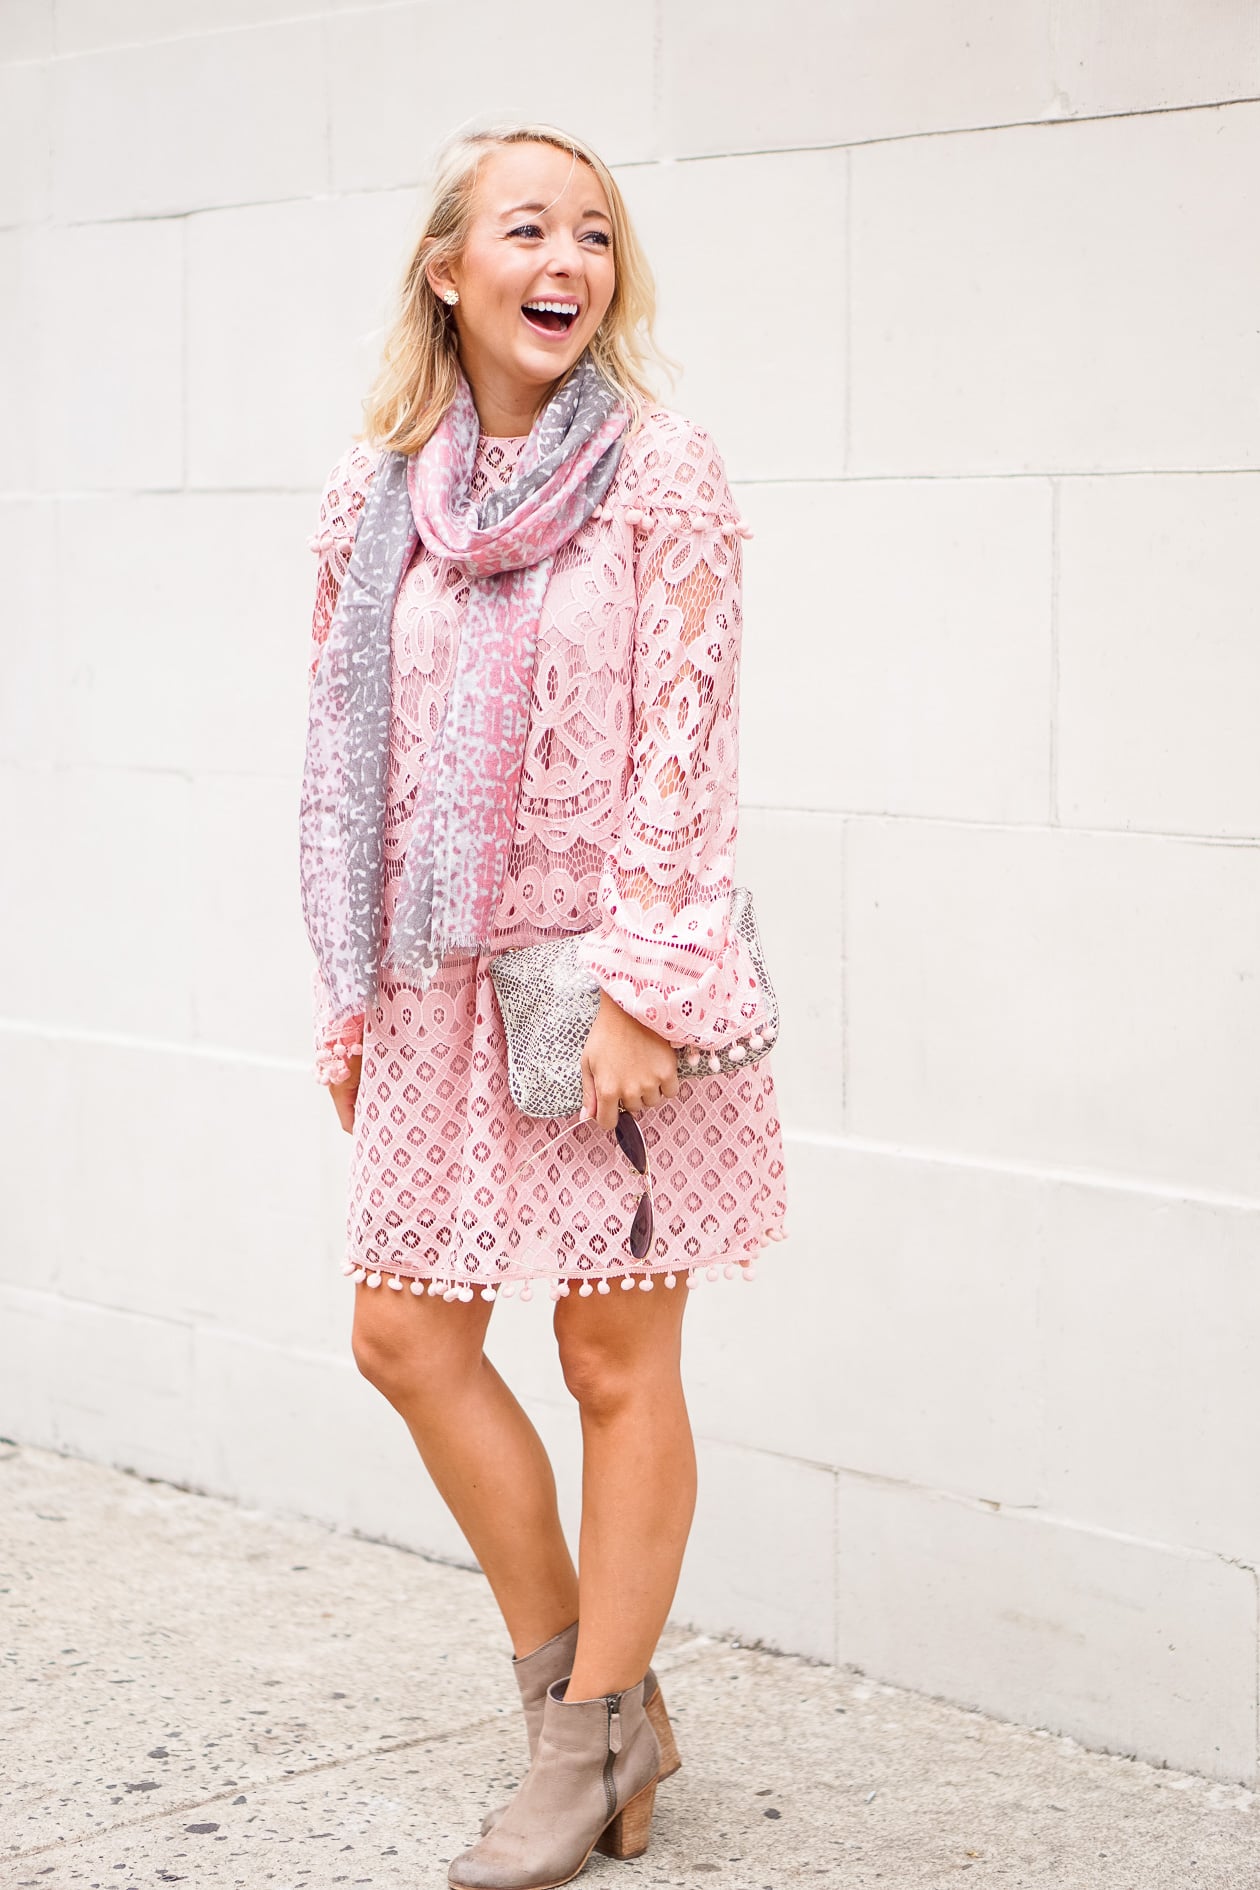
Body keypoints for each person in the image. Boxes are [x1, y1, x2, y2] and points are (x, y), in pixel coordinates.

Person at [299, 120, 788, 1890]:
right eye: (526, 228)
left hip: (613, 983)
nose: (565, 257)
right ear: (451, 267)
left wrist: (648, 986)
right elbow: (345, 759)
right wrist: (352, 995)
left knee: (608, 1355)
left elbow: (690, 753)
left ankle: (574, 1752)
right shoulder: (377, 497)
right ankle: (601, 1698)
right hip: (434, 987)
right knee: (405, 1335)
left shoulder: (665, 471)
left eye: (593, 232)